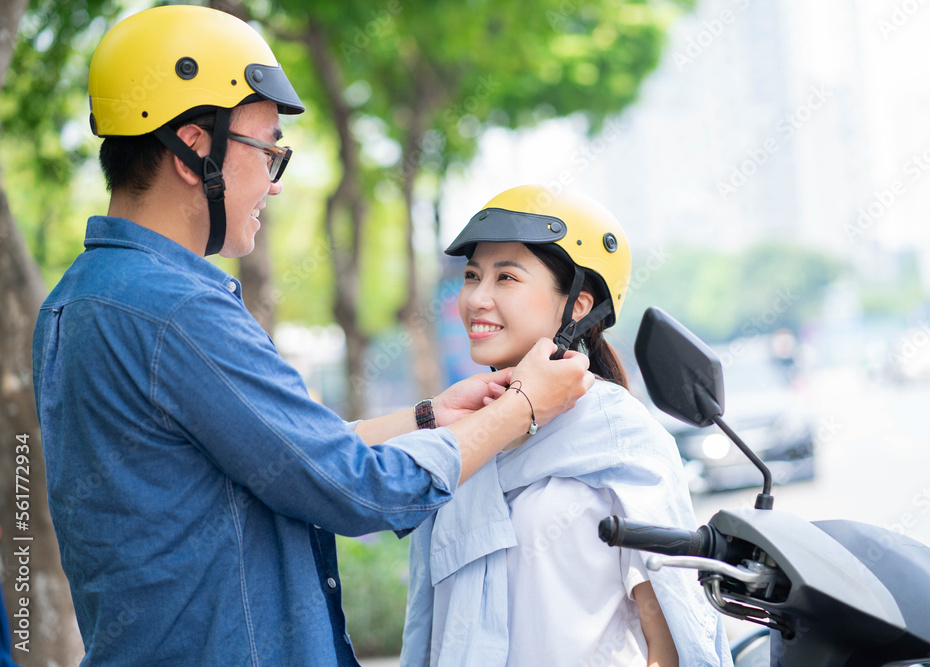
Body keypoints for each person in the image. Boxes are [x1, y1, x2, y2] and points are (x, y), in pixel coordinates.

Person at [31, 8, 592, 666]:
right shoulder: (175, 311)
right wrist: (524, 407)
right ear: (194, 149)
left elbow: (274, 463)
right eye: (267, 150)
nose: (273, 181)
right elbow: (355, 488)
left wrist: (427, 417)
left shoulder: (78, 300)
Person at [401, 185, 733, 666]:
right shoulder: (463, 434)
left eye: (507, 277)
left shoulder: (620, 436)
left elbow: (670, 639)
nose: (478, 298)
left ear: (578, 304)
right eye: (472, 276)